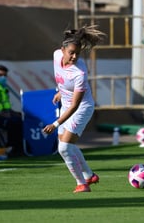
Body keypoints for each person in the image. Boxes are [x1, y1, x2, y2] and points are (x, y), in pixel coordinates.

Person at [42, 25, 106, 193]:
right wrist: (59, 91)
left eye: (77, 53)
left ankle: (82, 184)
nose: (74, 56)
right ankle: (89, 175)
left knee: (63, 148)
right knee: (67, 145)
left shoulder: (80, 73)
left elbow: (75, 105)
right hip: (66, 104)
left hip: (81, 108)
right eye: (71, 52)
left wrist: (55, 124)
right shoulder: (56, 56)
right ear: (62, 50)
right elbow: (61, 75)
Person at [0, 64, 24, 156]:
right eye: (0, 75)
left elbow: (6, 107)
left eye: (4, 75)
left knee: (20, 120)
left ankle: (20, 148)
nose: (3, 78)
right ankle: (12, 148)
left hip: (4, 114)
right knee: (12, 124)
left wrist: (16, 113)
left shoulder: (3, 88)